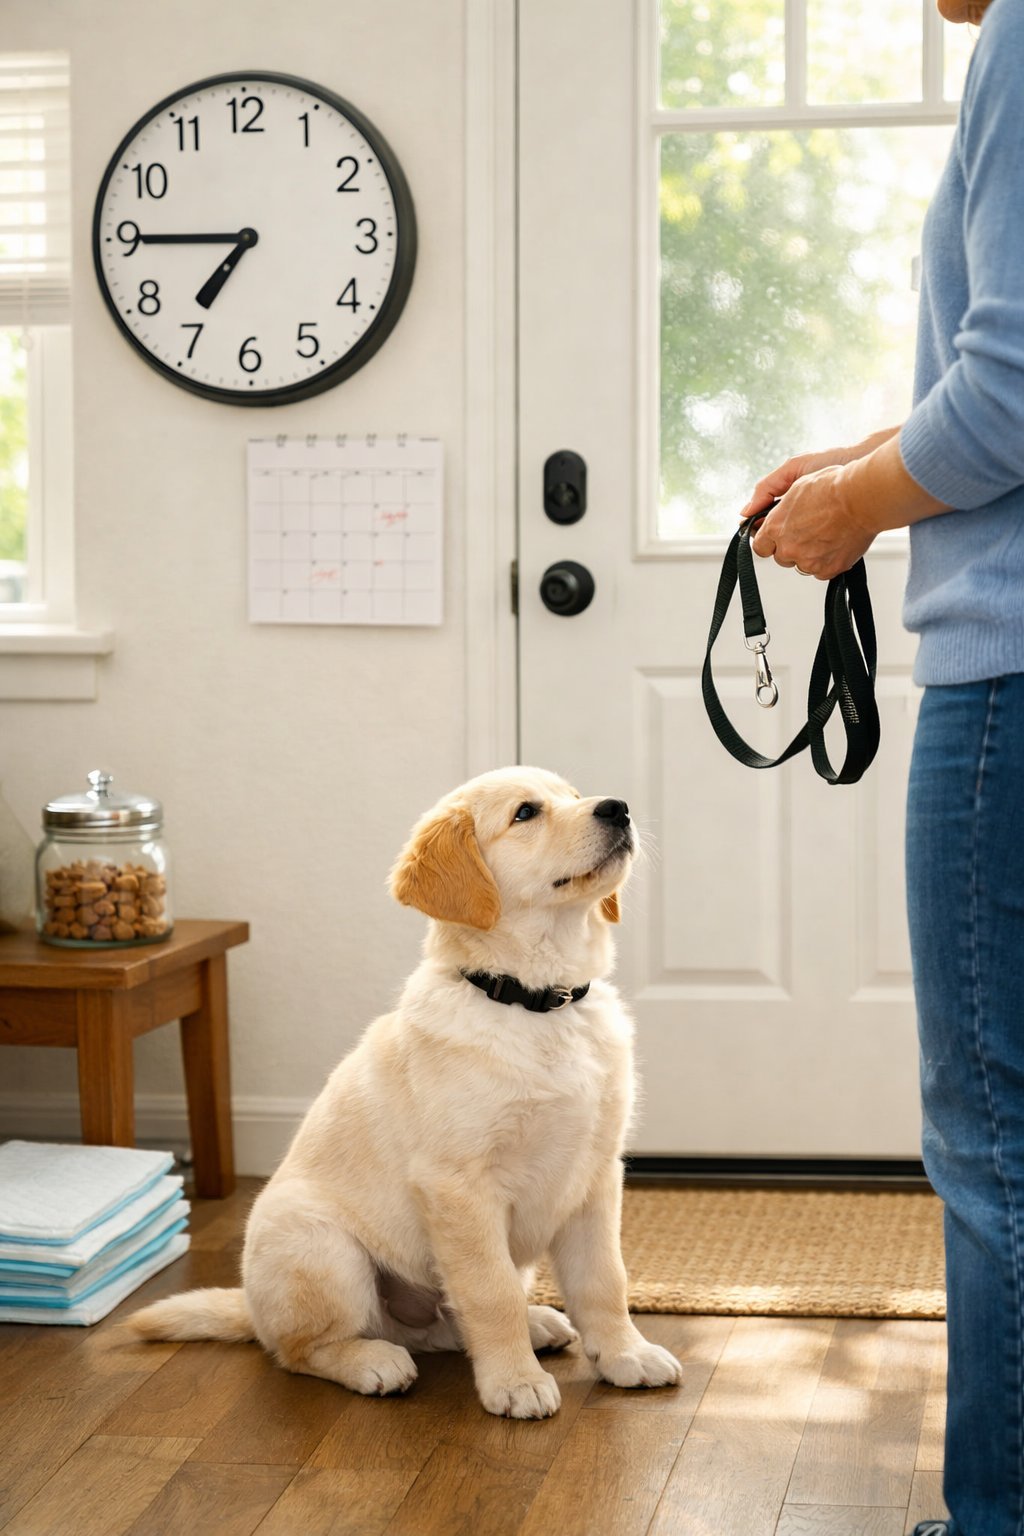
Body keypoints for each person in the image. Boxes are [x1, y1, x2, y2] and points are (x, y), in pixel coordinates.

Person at [741, 2, 1024, 1533]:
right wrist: (863, 451)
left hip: (1015, 678)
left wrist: (858, 503)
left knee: (996, 1139)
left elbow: (1016, 393)